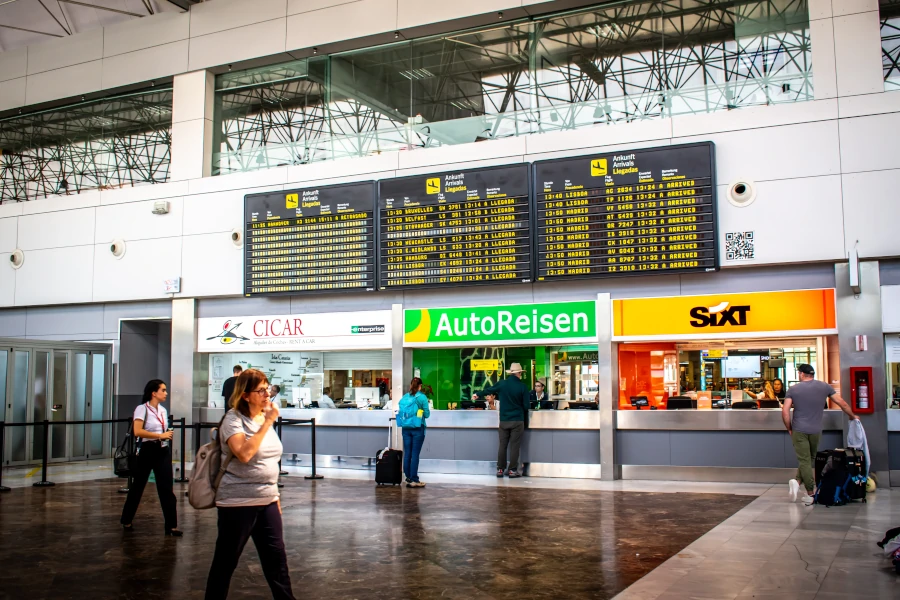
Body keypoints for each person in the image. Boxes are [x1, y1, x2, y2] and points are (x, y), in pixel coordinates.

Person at [205, 369, 295, 600]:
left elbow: (269, 460)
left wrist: (275, 498)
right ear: (245, 395)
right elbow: (244, 454)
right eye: (261, 390)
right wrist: (267, 423)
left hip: (267, 500)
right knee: (226, 561)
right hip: (238, 501)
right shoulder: (233, 419)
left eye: (268, 388)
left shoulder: (261, 418)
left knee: (277, 561)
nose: (267, 394)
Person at [783, 364, 859, 506]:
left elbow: (785, 411)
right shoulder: (824, 387)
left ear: (801, 374)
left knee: (805, 460)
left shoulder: (793, 389)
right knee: (809, 458)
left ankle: (810, 493)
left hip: (799, 429)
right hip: (816, 429)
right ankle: (797, 482)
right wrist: (853, 416)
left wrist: (789, 428)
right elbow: (841, 402)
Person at [120, 379, 181, 536]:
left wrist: (164, 436)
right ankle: (126, 519)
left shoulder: (162, 410)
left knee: (166, 488)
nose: (166, 393)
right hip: (147, 450)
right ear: (154, 393)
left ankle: (172, 526)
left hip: (162, 451)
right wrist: (159, 435)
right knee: (138, 486)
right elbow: (138, 431)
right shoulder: (142, 409)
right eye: (163, 390)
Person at [473, 363, 529, 478]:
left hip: (504, 420)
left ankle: (500, 469)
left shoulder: (502, 384)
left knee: (502, 445)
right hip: (517, 420)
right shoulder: (523, 387)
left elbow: (490, 389)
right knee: (515, 446)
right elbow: (526, 406)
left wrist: (477, 394)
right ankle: (512, 470)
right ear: (519, 373)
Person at [398, 377, 430, 488]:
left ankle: (408, 478)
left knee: (408, 453)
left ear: (411, 385)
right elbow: (427, 415)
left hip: (405, 428)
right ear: (420, 385)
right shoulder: (422, 397)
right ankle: (414, 480)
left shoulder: (405, 397)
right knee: (415, 454)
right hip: (417, 428)